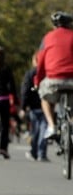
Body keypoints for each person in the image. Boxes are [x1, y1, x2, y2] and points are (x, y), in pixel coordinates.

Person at [35, 11, 73, 141]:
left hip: (54, 80)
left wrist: (37, 81)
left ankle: (51, 126)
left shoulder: (47, 38)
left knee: (45, 98)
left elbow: (40, 63)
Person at [20, 51, 48, 162]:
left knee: (35, 131)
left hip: (34, 107)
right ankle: (41, 153)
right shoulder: (48, 73)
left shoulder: (30, 74)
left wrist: (23, 106)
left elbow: (25, 91)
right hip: (46, 106)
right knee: (44, 130)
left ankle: (35, 151)